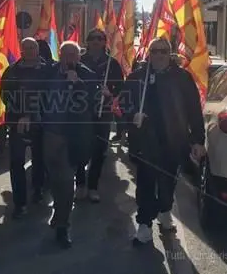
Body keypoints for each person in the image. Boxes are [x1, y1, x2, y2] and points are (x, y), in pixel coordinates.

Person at [120, 37, 206, 246]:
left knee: (168, 181)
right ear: (149, 53)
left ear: (170, 54)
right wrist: (132, 116)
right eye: (155, 51)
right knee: (146, 182)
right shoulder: (137, 77)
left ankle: (165, 209)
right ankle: (144, 223)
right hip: (145, 141)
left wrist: (197, 140)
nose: (158, 55)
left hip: (174, 140)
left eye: (163, 51)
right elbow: (122, 104)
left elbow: (194, 110)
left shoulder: (182, 78)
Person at [42, 41, 99, 248]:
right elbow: (38, 96)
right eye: (65, 54)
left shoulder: (88, 75)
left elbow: (92, 101)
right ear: (60, 54)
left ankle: (62, 226)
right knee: (55, 180)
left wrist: (77, 83)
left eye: (73, 54)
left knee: (66, 181)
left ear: (79, 56)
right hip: (50, 134)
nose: (69, 58)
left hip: (72, 136)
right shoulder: (49, 72)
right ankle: (58, 211)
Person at [0, 37, 52, 218]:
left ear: (37, 50)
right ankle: (19, 203)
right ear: (21, 50)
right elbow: (6, 97)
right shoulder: (12, 71)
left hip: (41, 124)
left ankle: (38, 188)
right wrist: (21, 114)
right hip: (17, 124)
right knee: (16, 162)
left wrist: (32, 114)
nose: (29, 51)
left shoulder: (48, 71)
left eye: (32, 48)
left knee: (40, 159)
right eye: (26, 48)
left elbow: (51, 97)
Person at [75, 28, 123, 203]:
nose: (96, 41)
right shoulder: (79, 61)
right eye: (92, 38)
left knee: (99, 151)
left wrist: (110, 92)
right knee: (80, 148)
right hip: (82, 113)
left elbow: (121, 87)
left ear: (104, 42)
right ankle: (80, 184)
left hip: (102, 114)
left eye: (99, 38)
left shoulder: (112, 64)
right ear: (87, 42)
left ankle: (93, 186)